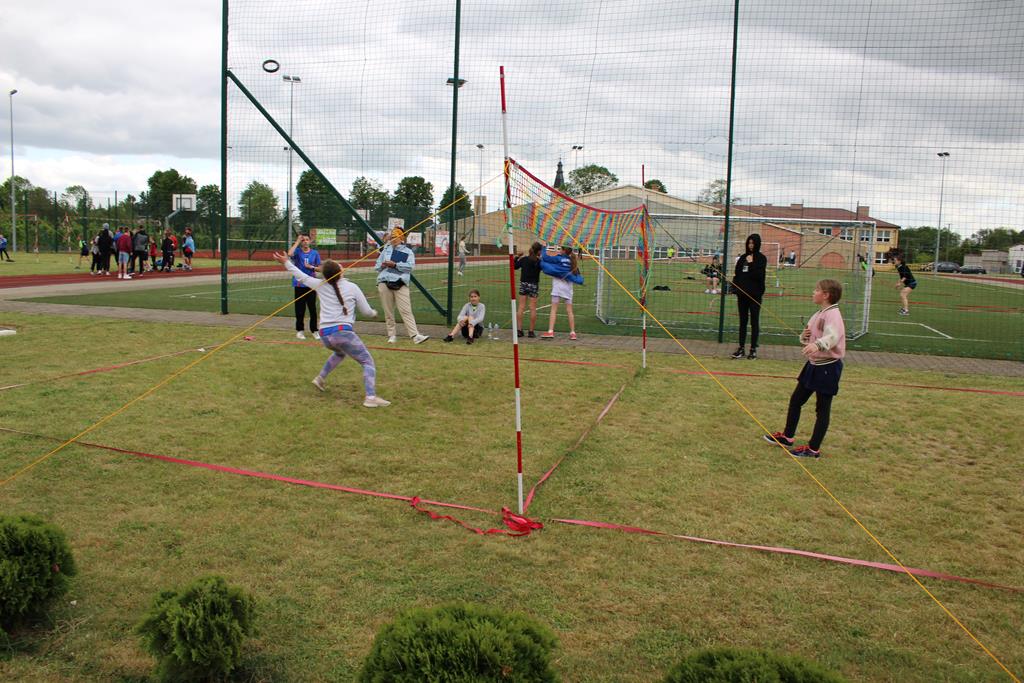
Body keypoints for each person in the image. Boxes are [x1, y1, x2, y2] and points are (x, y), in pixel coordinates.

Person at [271, 251, 389, 408]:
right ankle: (370, 398)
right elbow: (367, 312)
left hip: (325, 336)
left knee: (340, 353)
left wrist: (286, 262)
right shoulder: (352, 287)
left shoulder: (320, 284)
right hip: (342, 333)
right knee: (367, 362)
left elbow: (301, 276)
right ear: (340, 271)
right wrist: (374, 313)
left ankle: (320, 378)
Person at [762, 279, 846, 458]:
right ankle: (787, 436)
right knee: (796, 400)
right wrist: (805, 336)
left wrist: (817, 344)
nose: (813, 292)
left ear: (826, 295)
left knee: (822, 409)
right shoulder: (819, 313)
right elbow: (811, 334)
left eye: (816, 290)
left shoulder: (833, 315)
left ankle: (813, 449)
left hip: (828, 367)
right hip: (813, 365)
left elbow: (833, 337)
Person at [374, 228, 429, 344]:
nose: (392, 238)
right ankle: (391, 335)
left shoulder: (408, 252)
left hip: (400, 283)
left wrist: (395, 265)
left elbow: (410, 267)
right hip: (384, 282)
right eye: (391, 236)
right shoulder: (386, 250)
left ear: (401, 238)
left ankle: (415, 335)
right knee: (388, 311)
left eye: (395, 236)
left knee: (406, 310)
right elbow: (377, 266)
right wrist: (383, 265)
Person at [730, 233, 767, 360]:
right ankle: (741, 348)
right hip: (742, 296)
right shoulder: (742, 258)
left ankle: (753, 349)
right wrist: (734, 287)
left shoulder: (761, 258)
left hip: (754, 296)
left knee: (754, 321)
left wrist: (751, 263)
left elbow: (759, 276)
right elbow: (737, 274)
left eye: (753, 243)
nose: (751, 245)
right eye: (749, 243)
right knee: (743, 321)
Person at [540, 245, 583, 340]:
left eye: (560, 249)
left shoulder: (559, 258)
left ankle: (550, 331)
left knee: (554, 309)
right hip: (568, 289)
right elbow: (578, 276)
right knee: (569, 311)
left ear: (563, 251)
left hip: (558, 288)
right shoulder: (572, 260)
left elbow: (546, 258)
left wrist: (543, 248)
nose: (559, 250)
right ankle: (573, 333)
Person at [288, 233, 322, 340]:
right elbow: (289, 253)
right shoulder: (298, 252)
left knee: (312, 309)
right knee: (300, 309)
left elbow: (320, 268)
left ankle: (314, 330)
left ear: (310, 241)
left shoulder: (314, 253)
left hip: (311, 284)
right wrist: (297, 241)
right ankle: (300, 331)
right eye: (303, 240)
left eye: (307, 240)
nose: (305, 242)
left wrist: (311, 267)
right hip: (299, 284)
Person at [515, 242, 543, 338]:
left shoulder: (524, 259)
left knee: (521, 307)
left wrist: (517, 257)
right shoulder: (539, 262)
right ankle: (531, 332)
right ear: (538, 251)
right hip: (533, 285)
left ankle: (519, 330)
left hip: (524, 284)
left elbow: (514, 266)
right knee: (532, 308)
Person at [892, 251, 916, 316]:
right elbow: (902, 277)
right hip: (909, 283)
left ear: (899, 261)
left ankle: (906, 311)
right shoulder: (899, 267)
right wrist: (899, 283)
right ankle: (904, 309)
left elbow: (905, 276)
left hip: (912, 283)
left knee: (903, 294)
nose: (894, 261)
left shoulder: (903, 267)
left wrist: (899, 283)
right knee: (902, 294)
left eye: (895, 260)